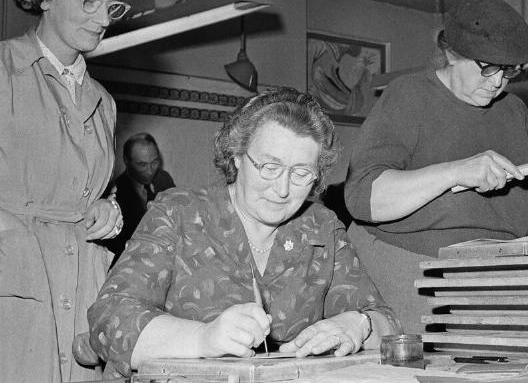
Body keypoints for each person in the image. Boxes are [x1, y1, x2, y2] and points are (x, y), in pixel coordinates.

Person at [89, 86, 400, 378]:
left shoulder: (321, 227)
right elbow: (109, 316)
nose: (282, 189)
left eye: (301, 173)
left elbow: (389, 324)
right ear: (237, 156)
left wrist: (359, 324)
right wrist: (203, 338)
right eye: (269, 166)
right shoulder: (178, 213)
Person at [345, 0, 528, 334]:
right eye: (487, 67)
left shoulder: (514, 111)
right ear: (451, 53)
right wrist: (455, 171)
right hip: (418, 263)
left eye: (510, 71)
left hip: (498, 268)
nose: (498, 82)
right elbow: (363, 197)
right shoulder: (408, 97)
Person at [0, 0, 131, 382]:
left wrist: (109, 209)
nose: (101, 20)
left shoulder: (104, 103)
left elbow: (95, 186)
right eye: (89, 0)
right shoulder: (3, 72)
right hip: (15, 283)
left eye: (112, 8)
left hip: (83, 289)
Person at [105, 132, 176, 266]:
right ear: (127, 161)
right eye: (142, 164)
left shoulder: (164, 180)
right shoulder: (115, 193)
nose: (150, 171)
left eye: (154, 162)